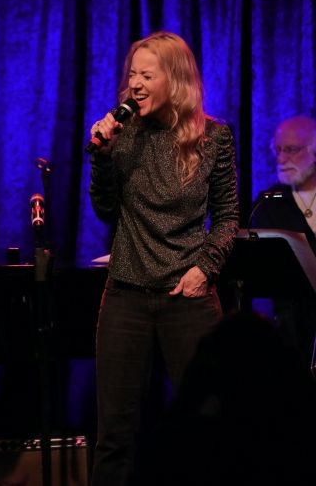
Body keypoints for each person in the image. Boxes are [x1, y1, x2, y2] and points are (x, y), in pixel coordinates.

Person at [87, 31, 239, 486]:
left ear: (174, 80)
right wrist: (101, 157)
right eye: (132, 73)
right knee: (115, 434)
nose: (134, 83)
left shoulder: (214, 137)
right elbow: (106, 210)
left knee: (208, 422)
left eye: (146, 74)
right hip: (127, 297)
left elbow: (229, 215)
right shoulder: (125, 134)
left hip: (188, 297)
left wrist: (204, 269)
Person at [249, 115, 316, 370]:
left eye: (291, 149)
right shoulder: (268, 203)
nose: (281, 158)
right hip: (287, 326)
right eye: (278, 149)